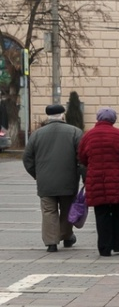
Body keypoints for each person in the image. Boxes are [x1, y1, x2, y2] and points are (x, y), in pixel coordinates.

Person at [78, 107, 119, 257]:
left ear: (98, 119)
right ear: (113, 120)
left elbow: (81, 157)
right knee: (118, 212)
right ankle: (118, 244)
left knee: (101, 214)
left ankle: (104, 248)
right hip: (118, 181)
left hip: (96, 180)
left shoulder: (88, 136)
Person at [22, 104, 84, 252]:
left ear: (48, 117)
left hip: (45, 182)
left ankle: (51, 243)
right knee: (66, 208)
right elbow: (81, 158)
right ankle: (66, 236)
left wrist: (37, 175)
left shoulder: (36, 134)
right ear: (63, 115)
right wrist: (82, 175)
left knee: (49, 211)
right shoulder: (75, 132)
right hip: (68, 180)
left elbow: (27, 159)